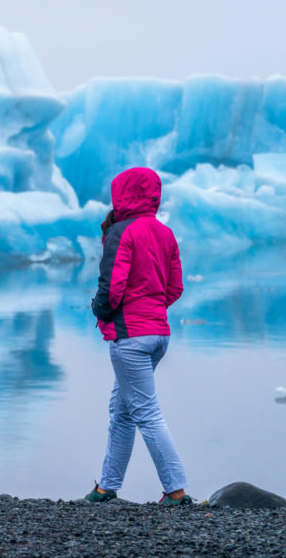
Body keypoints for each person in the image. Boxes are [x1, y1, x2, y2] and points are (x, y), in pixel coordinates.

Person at [83, 167, 192, 505]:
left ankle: (176, 491)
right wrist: (153, 308)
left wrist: (100, 310)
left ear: (123, 194)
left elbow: (111, 286)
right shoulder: (165, 233)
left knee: (145, 413)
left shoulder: (121, 231)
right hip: (158, 334)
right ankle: (107, 487)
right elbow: (175, 287)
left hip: (131, 337)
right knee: (122, 410)